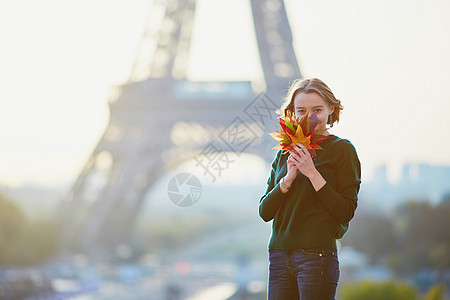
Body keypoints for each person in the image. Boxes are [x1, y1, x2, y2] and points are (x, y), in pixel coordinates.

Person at [259, 78, 361, 299]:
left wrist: (312, 173)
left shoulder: (342, 150)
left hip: (317, 256)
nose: (309, 117)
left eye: (317, 109)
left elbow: (345, 211)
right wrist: (288, 179)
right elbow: (265, 212)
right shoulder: (284, 153)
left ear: (331, 109)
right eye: (301, 110)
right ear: (292, 113)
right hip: (278, 256)